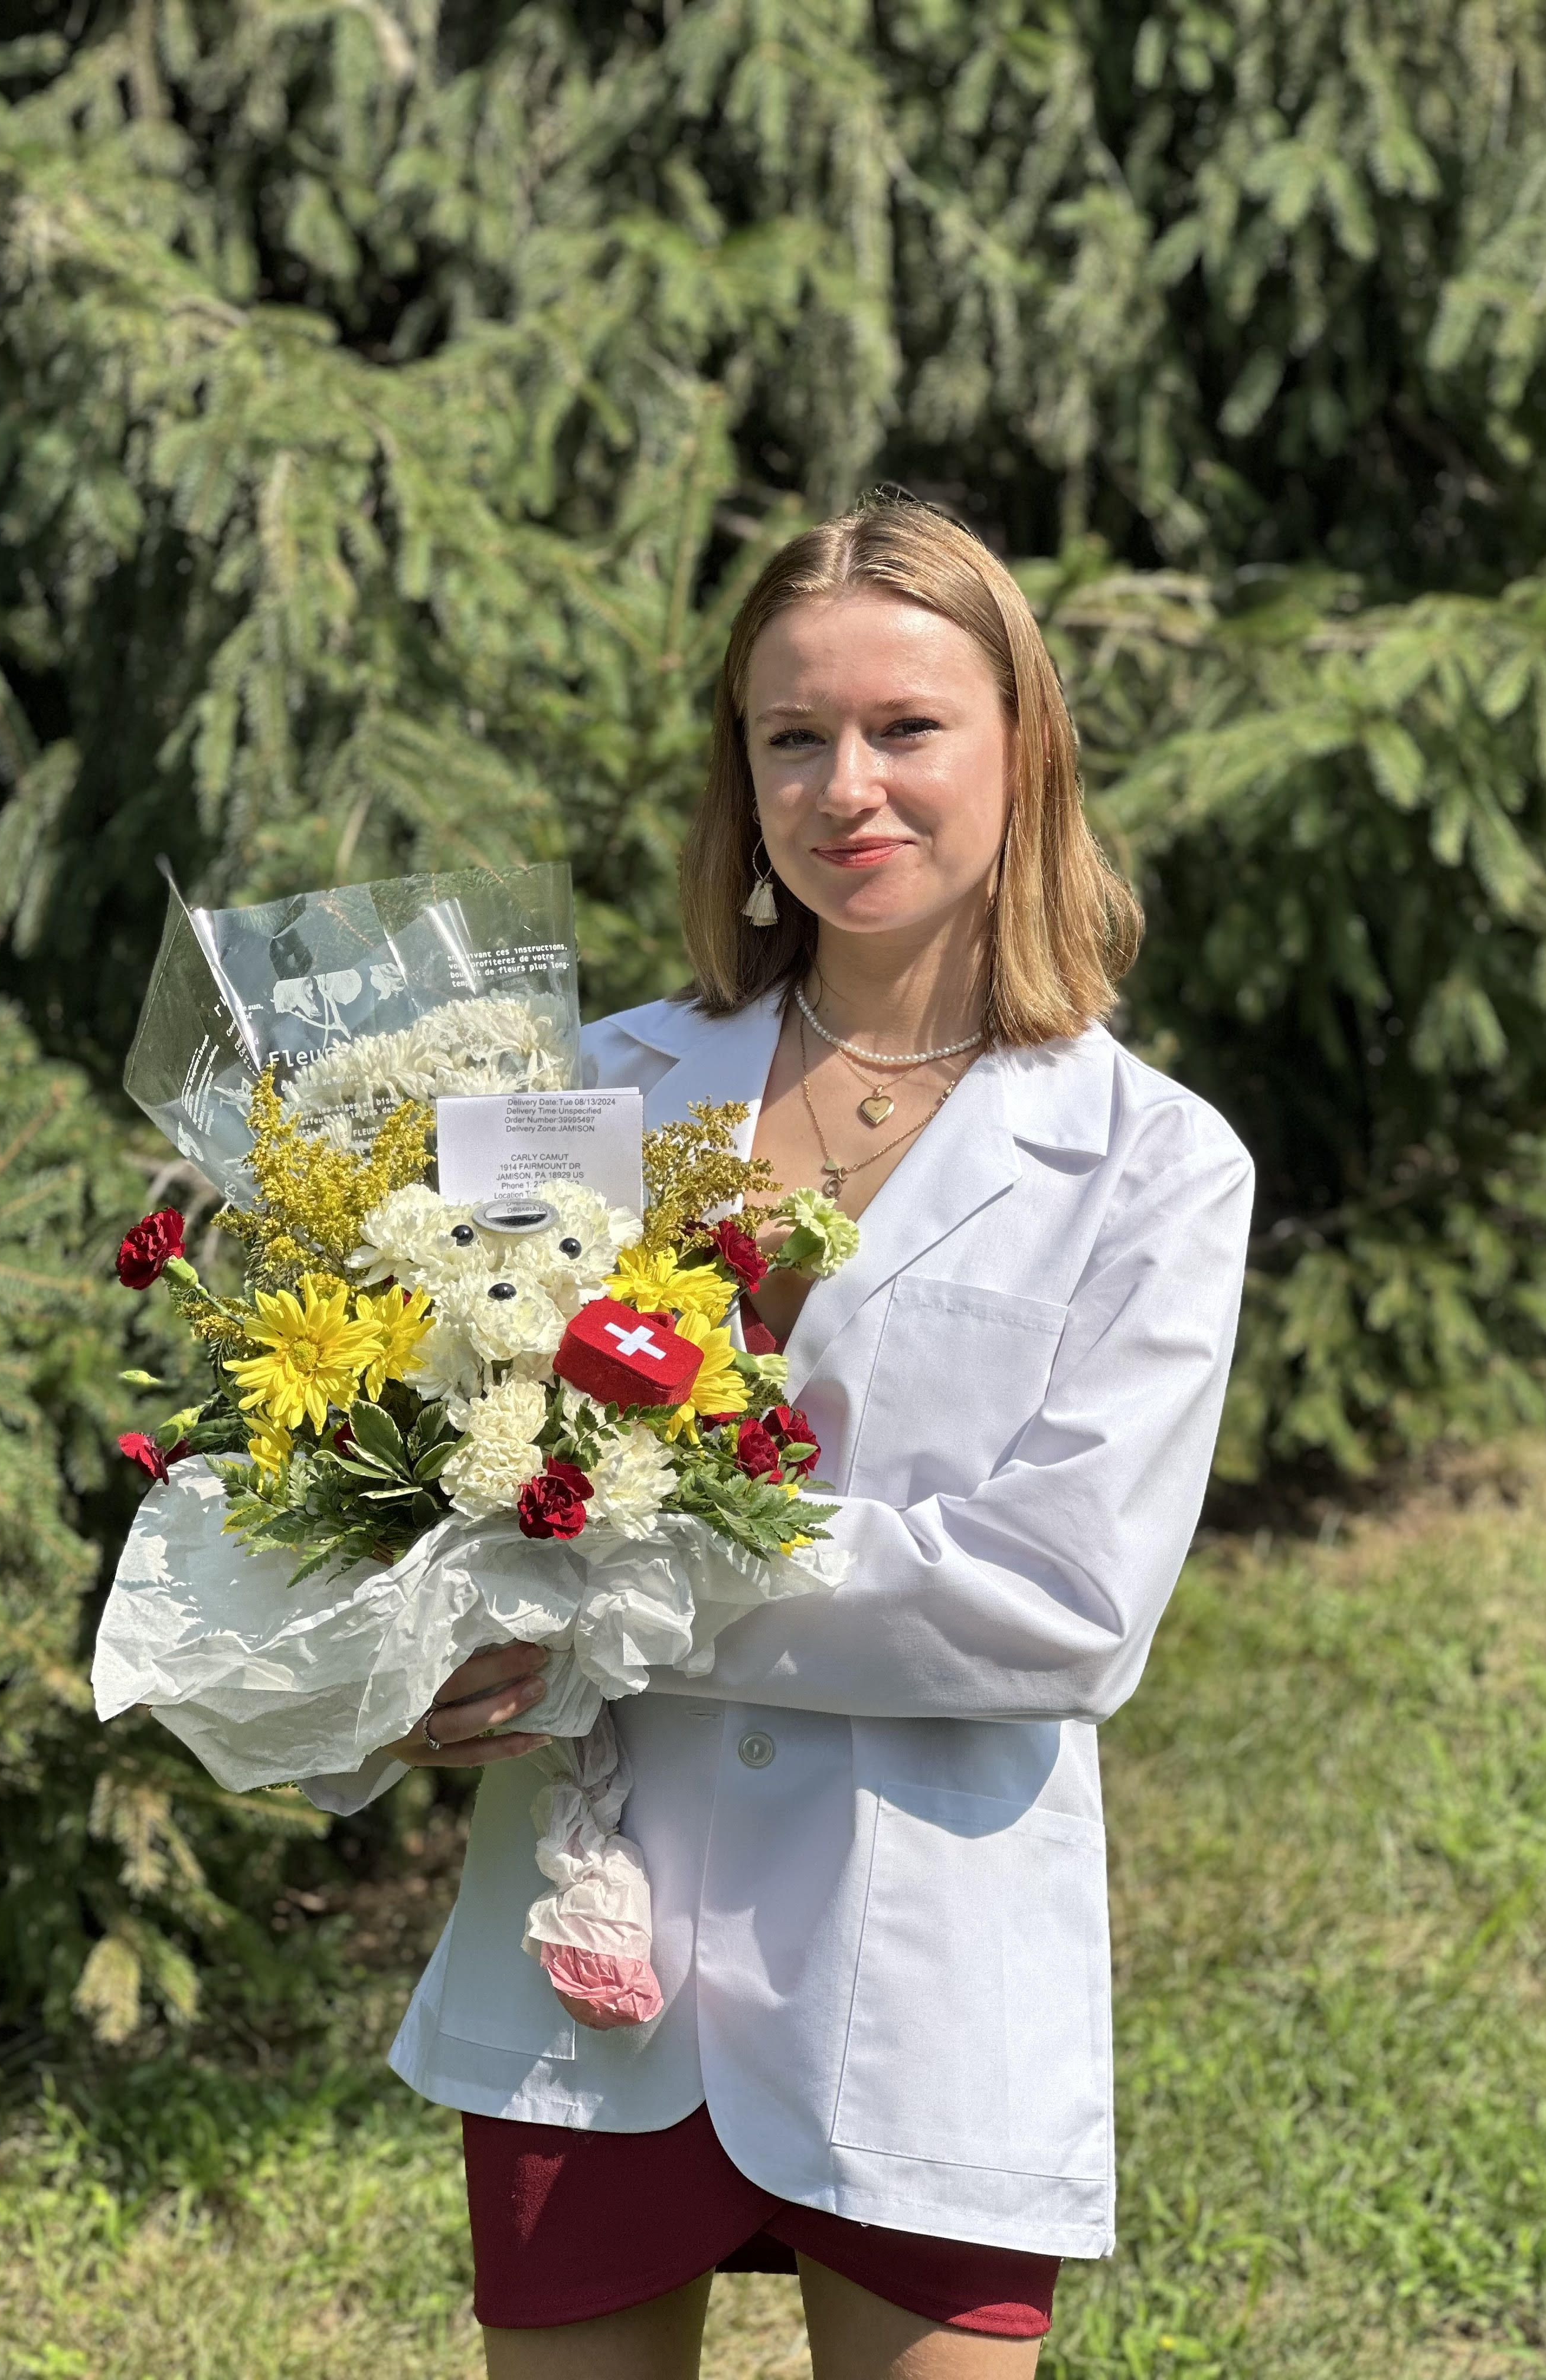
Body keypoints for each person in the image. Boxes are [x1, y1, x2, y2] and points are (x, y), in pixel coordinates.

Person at [375, 496, 1253, 2376]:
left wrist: (618, 1596)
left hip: (920, 1949)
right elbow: (442, 1472)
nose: (846, 784)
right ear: (742, 773)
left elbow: (1060, 1605)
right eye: (793, 736)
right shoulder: (582, 1097)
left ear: (1023, 748)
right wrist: (419, 1653)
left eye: (905, 728)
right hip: (592, 1932)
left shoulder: (1150, 1162)